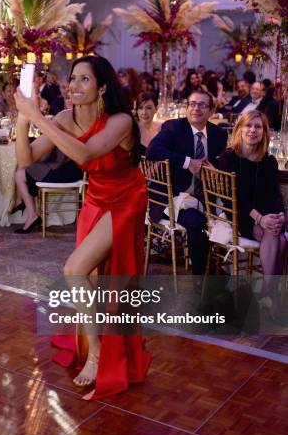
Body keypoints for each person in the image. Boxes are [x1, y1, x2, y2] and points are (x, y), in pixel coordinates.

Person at [15, 55, 151, 399]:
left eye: (84, 80)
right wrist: (23, 118)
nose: (73, 85)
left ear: (102, 87)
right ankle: (97, 346)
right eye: (72, 78)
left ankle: (99, 353)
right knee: (88, 280)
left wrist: (37, 118)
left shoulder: (120, 120)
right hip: (96, 198)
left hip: (126, 198)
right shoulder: (63, 117)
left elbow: (87, 155)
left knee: (74, 268)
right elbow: (25, 160)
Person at [147, 90, 228, 275]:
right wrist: (187, 162)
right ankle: (201, 280)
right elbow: (153, 150)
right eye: (192, 104)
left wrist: (211, 171)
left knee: (229, 219)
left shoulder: (218, 134)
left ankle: (218, 270)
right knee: (197, 222)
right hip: (174, 198)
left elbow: (224, 163)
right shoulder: (174, 128)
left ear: (211, 111)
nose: (196, 108)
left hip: (207, 197)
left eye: (202, 105)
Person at [219, 111, 286, 279]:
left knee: (276, 232)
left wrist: (280, 216)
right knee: (278, 237)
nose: (252, 130)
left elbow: (275, 195)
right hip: (240, 214)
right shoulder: (229, 158)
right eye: (248, 125)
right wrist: (259, 218)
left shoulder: (268, 161)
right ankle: (270, 292)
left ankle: (267, 293)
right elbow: (234, 198)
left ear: (264, 132)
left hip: (266, 215)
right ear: (240, 129)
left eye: (258, 127)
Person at [12, 149, 83, 233]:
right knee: (23, 166)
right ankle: (20, 202)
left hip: (65, 170)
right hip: (72, 170)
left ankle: (30, 213)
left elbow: (45, 155)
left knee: (20, 174)